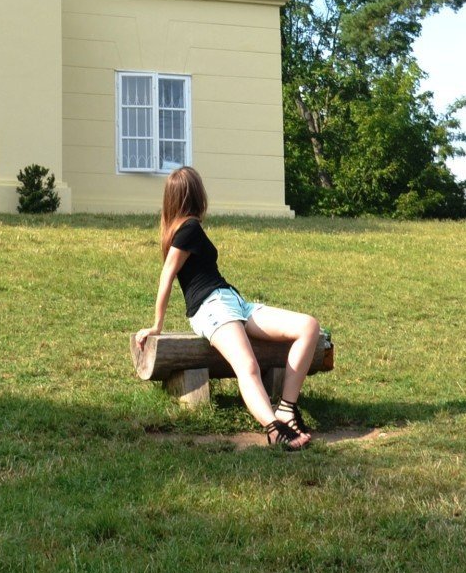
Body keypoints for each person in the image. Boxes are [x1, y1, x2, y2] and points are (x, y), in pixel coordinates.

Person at [133, 165, 323, 451]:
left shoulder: (185, 228)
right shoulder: (189, 228)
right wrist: (156, 325)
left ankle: (287, 407)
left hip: (233, 302)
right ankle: (275, 430)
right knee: (247, 366)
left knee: (308, 326)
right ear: (195, 194)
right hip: (212, 308)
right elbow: (166, 274)